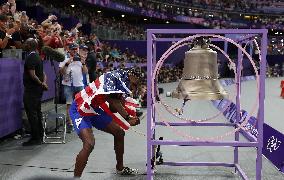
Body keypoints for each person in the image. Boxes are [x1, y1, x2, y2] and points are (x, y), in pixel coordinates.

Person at [70, 69, 141, 177]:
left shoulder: (122, 83)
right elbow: (113, 101)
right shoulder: (114, 76)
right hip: (80, 107)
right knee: (89, 144)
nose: (135, 85)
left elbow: (112, 107)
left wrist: (122, 102)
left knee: (119, 132)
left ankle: (120, 168)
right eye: (136, 82)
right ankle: (76, 178)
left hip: (94, 109)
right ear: (131, 75)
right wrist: (127, 118)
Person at [22, 38, 48, 146]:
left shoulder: (31, 57)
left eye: (26, 43)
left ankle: (35, 138)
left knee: (32, 113)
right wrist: (44, 83)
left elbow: (33, 75)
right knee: (37, 112)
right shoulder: (37, 56)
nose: (24, 44)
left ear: (29, 45)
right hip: (37, 90)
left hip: (32, 90)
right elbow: (43, 73)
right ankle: (39, 136)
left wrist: (42, 83)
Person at [59, 43, 88, 133]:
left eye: (76, 49)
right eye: (73, 49)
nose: (75, 51)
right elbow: (61, 72)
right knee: (69, 104)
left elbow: (85, 72)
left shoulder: (81, 59)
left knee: (81, 105)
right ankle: (70, 124)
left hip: (79, 84)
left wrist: (83, 63)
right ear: (69, 50)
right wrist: (67, 63)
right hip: (68, 85)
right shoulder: (65, 58)